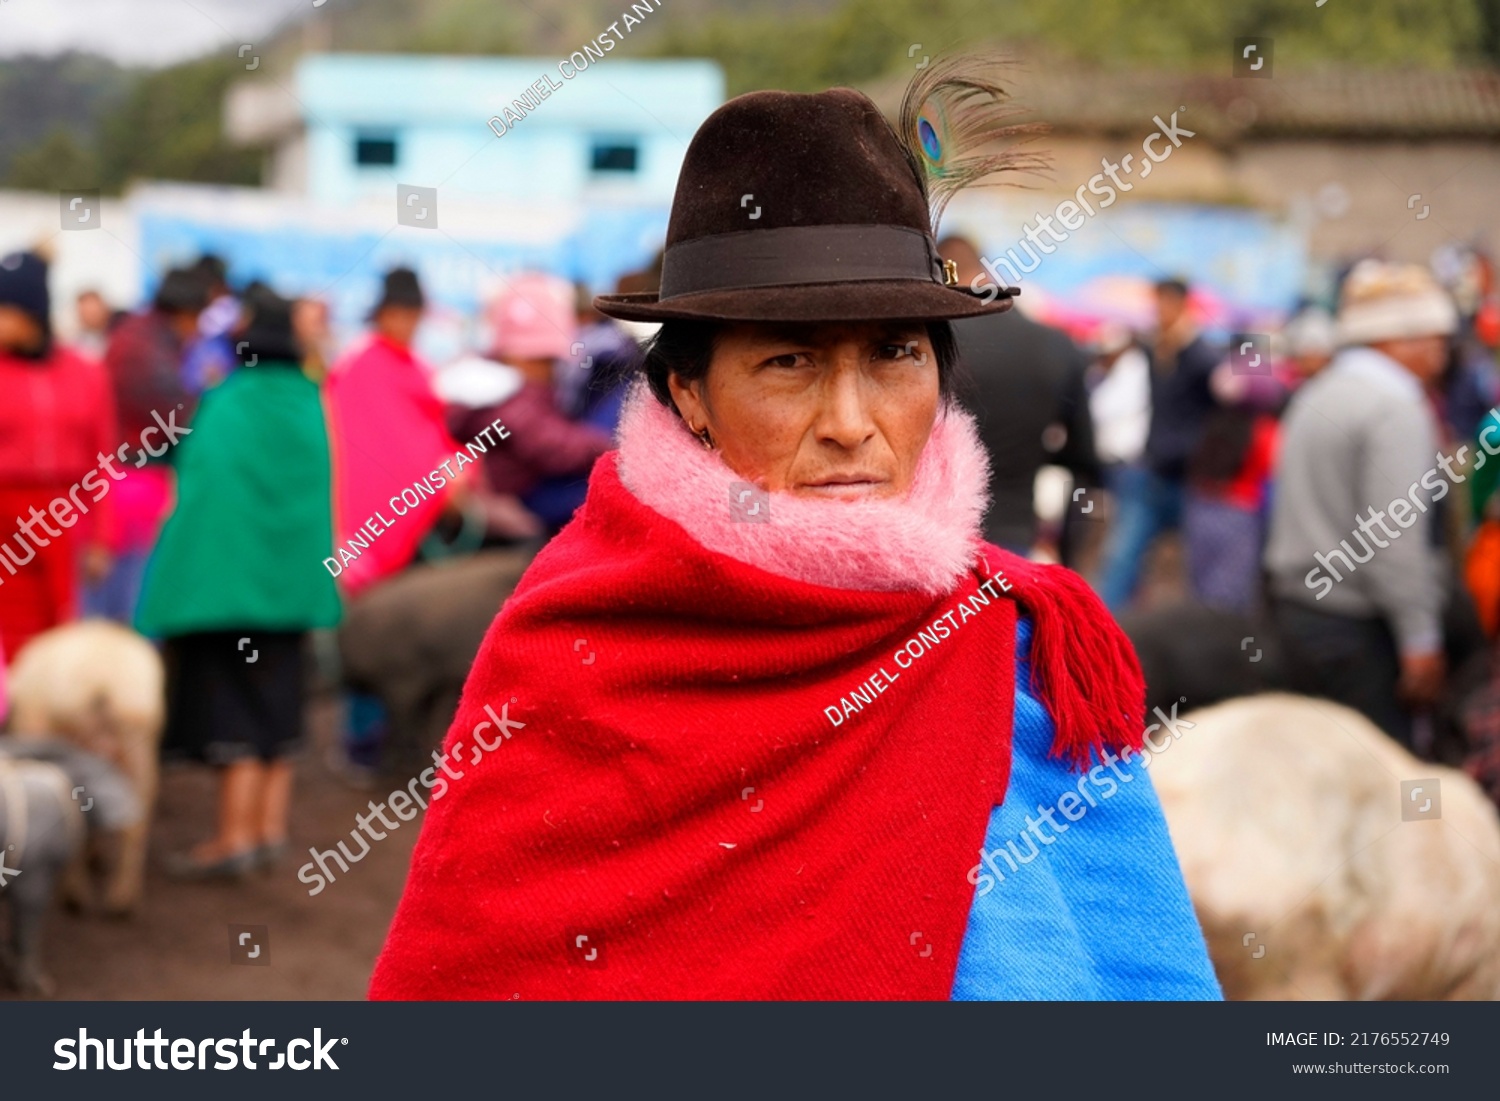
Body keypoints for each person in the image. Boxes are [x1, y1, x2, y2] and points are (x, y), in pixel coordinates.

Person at [369, 73, 1218, 1000]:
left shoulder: (1022, 644)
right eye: (789, 360)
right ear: (687, 391)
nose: (852, 421)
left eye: (895, 353)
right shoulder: (571, 649)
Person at [135, 289, 342, 878]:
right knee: (280, 713)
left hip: (228, 594)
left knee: (233, 715)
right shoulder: (311, 402)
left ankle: (232, 839)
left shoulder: (225, 403)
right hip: (293, 593)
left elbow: (199, 495)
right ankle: (268, 832)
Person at [1264, 260, 1458, 747]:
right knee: (1380, 784)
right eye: (1435, 341)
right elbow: (1392, 537)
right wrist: (1420, 639)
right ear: (1400, 340)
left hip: (1295, 613)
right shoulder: (1395, 408)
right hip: (1356, 629)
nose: (1442, 356)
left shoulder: (1319, 390)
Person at [936, 236, 1099, 559]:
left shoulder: (930, 343)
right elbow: (1087, 465)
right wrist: (1070, 548)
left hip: (936, 539)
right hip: (1014, 539)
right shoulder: (1056, 346)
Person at [0, 251, 118, 657]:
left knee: (61, 634)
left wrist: (102, 536)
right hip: (5, 517)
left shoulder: (85, 372)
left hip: (64, 518)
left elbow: (102, 458)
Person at [326, 267, 461, 596]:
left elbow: (437, 432)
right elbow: (342, 430)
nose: (406, 323)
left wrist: (456, 470)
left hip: (416, 516)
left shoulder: (422, 369)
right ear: (382, 314)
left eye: (413, 315)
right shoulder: (355, 363)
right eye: (399, 314)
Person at [446, 273, 614, 534]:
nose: (551, 372)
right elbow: (552, 445)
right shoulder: (510, 398)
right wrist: (607, 446)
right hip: (517, 497)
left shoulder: (493, 389)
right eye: (544, 361)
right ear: (512, 355)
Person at [91, 267, 208, 623]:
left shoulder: (144, 336)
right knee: (130, 605)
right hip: (132, 482)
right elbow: (178, 415)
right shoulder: (142, 348)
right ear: (185, 313)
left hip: (130, 479)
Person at [1096, 278, 1221, 611]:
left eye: (1164, 302)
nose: (1159, 310)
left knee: (1197, 565)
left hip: (1191, 478)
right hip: (1152, 471)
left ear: (1181, 304)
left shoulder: (1201, 356)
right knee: (1123, 558)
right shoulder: (1154, 350)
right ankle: (1108, 629)